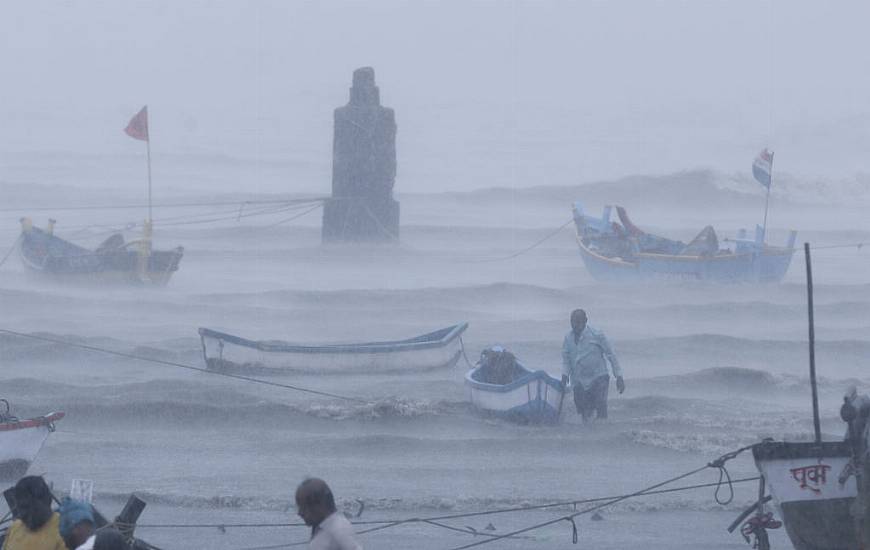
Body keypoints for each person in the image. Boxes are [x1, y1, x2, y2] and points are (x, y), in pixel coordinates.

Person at [561, 309, 625, 421]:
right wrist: (564, 376)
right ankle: (589, 436)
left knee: (601, 408)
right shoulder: (568, 338)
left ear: (585, 321)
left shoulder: (597, 334)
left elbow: (611, 355)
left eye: (578, 322)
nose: (575, 325)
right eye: (573, 322)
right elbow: (566, 360)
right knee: (585, 413)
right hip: (579, 381)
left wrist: (619, 376)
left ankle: (603, 431)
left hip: (599, 377)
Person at [295, 478, 361, 550]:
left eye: (303, 508)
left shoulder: (338, 529)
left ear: (320, 505)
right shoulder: (322, 529)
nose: (300, 513)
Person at [1, 476, 66, 550]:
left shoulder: (65, 532)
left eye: (26, 507)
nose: (21, 514)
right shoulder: (15, 527)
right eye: (19, 508)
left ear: (46, 501)